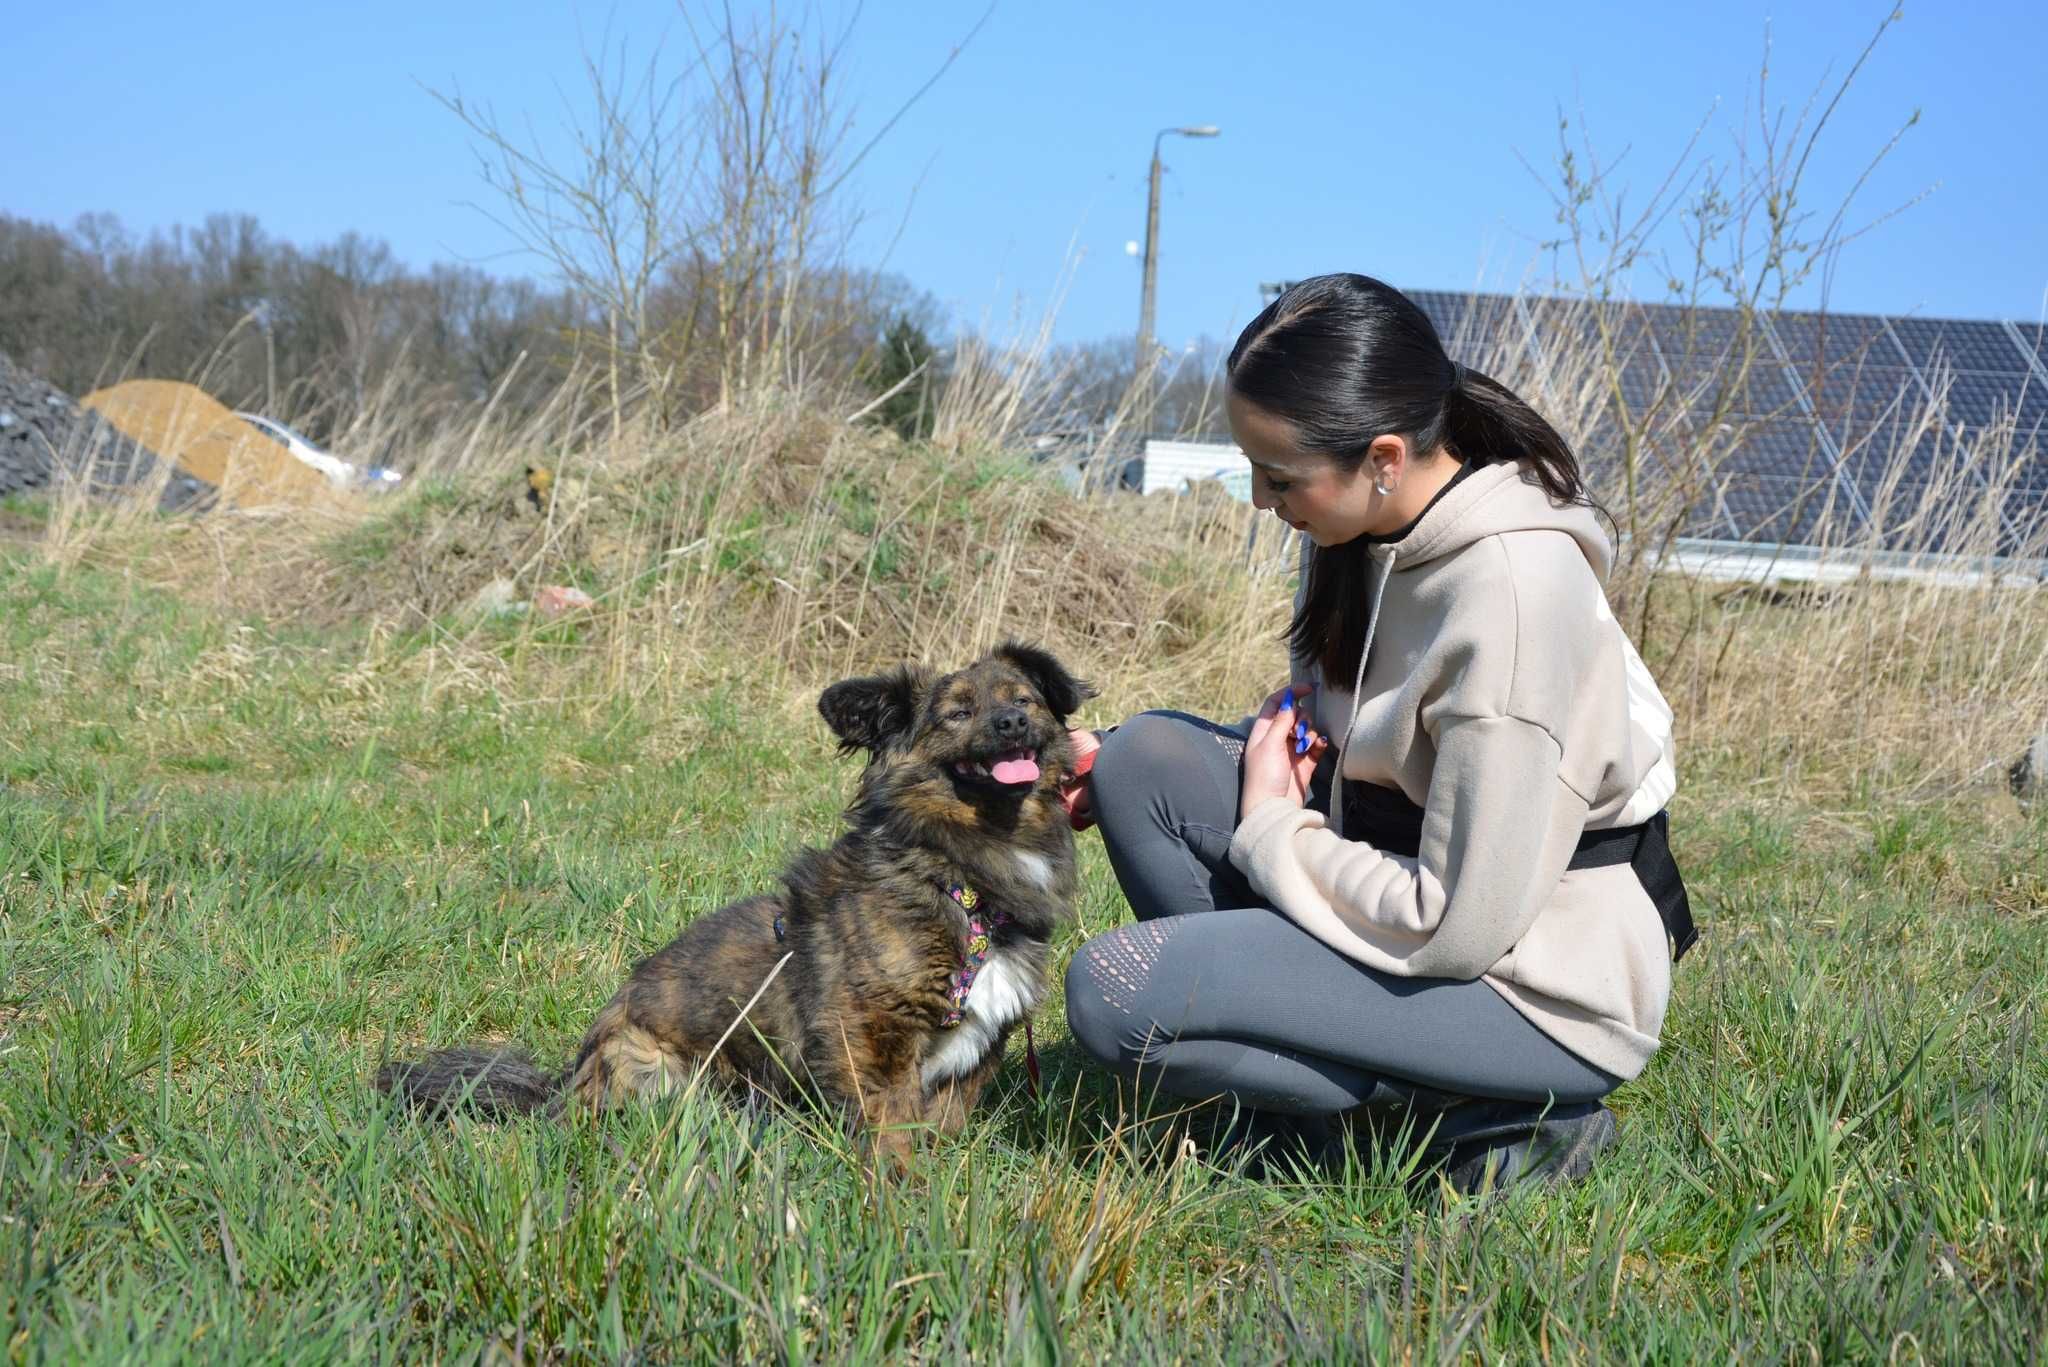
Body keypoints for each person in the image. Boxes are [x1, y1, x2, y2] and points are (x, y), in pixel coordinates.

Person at [1059, 273, 1695, 1193]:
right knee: (1139, 765)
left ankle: (1482, 1124)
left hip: (1530, 982)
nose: (1258, 499)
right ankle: (1384, 1100)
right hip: (1403, 880)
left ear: (1384, 456)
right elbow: (1384, 751)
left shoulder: (1511, 599)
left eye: (1278, 477)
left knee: (1112, 990)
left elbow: (1457, 924)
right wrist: (1128, 750)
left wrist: (1275, 829)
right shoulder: (1373, 535)